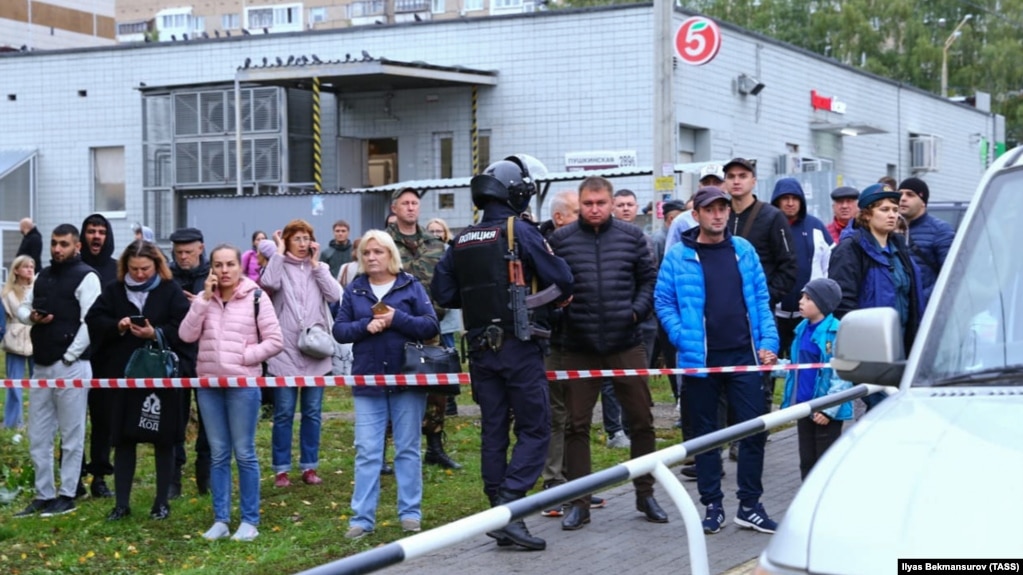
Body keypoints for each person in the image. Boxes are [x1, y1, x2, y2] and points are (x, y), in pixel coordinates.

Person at [432, 154, 574, 551]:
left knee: (494, 430)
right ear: (517, 193)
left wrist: (482, 299)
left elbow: (442, 293)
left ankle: (499, 514)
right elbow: (562, 279)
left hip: (479, 350)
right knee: (535, 428)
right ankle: (509, 505)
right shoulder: (519, 230)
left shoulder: (461, 238)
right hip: (519, 346)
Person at [654, 186, 780, 535]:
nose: (718, 215)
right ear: (696, 215)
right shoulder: (679, 255)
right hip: (701, 361)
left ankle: (750, 506)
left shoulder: (744, 250)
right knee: (705, 436)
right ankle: (712, 506)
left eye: (723, 208)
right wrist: (683, 337)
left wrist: (768, 342)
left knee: (753, 432)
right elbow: (663, 302)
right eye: (710, 209)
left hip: (744, 357)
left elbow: (761, 300)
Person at [548, 175, 668, 531]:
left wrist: (635, 312)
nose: (595, 209)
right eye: (588, 204)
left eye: (601, 203)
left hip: (625, 342)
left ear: (612, 203)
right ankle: (578, 501)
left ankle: (645, 492)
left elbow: (650, 279)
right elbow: (550, 287)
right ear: (579, 205)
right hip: (578, 346)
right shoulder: (561, 240)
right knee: (576, 424)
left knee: (642, 420)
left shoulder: (632, 237)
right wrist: (562, 315)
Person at [334, 230, 439, 540]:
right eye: (367, 253)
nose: (372, 257)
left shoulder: (410, 285)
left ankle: (410, 513)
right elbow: (340, 331)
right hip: (368, 380)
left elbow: (430, 325)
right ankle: (362, 518)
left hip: (407, 379)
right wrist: (366, 326)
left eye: (378, 252)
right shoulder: (354, 290)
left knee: (407, 449)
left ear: (390, 254)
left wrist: (397, 319)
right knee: (367, 451)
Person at [178, 244, 284, 541]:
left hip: (242, 386)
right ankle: (221, 519)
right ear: (211, 269)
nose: (224, 271)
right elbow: (186, 335)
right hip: (210, 386)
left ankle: (250, 520)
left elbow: (275, 340)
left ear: (240, 267)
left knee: (245, 453)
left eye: (230, 265)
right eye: (218, 265)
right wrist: (202, 300)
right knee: (219, 454)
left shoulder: (256, 297)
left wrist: (244, 357)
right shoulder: (205, 299)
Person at [85, 240, 190, 521]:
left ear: (157, 266)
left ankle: (162, 502)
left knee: (164, 439)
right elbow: (94, 319)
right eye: (134, 269)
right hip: (123, 375)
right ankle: (121, 504)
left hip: (161, 376)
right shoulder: (114, 290)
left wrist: (155, 334)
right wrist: (117, 326)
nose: (140, 274)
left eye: (145, 268)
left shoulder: (170, 291)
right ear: (125, 267)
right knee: (123, 438)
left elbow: (185, 327)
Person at [14, 224, 101, 518]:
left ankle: (67, 493)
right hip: (41, 365)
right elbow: (23, 309)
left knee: (72, 433)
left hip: (72, 366)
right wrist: (32, 317)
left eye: (63, 244)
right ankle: (43, 494)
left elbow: (92, 321)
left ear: (77, 246)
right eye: (54, 243)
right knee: (38, 434)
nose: (56, 249)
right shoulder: (43, 276)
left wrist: (69, 357)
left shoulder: (87, 276)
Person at [258, 220, 340, 487]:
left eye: (307, 238)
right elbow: (267, 283)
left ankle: (309, 466)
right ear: (288, 241)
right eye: (298, 239)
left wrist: (317, 266)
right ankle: (281, 469)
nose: (303, 244)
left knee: (313, 412)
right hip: (285, 351)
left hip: (316, 350)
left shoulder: (321, 267)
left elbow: (335, 295)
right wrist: (279, 251)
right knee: (283, 412)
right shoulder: (278, 266)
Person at [828, 183, 924, 409]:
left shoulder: (898, 247)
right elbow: (842, 304)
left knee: (897, 409)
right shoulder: (851, 249)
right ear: (867, 214)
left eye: (894, 209)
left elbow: (913, 296)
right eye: (884, 209)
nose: (892, 215)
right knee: (887, 407)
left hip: (903, 344)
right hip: (871, 350)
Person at [387, 188, 461, 470]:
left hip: (429, 327)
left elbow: (446, 283)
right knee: (392, 389)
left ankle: (435, 447)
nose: (410, 207)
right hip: (393, 329)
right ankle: (385, 452)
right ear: (395, 208)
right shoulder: (384, 242)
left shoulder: (434, 243)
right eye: (404, 203)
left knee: (435, 389)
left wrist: (436, 312)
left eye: (414, 203)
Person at [778, 278, 853, 480]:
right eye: (802, 296)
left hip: (825, 412)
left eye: (808, 298)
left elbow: (842, 375)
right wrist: (773, 366)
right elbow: (797, 365)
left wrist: (828, 408)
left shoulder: (836, 332)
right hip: (805, 408)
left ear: (823, 304)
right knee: (807, 462)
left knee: (825, 465)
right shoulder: (801, 329)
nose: (801, 301)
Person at [168, 227, 212, 497]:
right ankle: (173, 477)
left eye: (188, 251)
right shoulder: (167, 278)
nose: (183, 257)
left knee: (209, 419)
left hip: (207, 355)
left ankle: (204, 475)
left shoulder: (213, 276)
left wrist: (202, 303)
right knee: (176, 420)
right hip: (177, 356)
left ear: (200, 248)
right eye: (178, 252)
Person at [78, 213, 118, 498]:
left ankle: (100, 477)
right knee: (74, 420)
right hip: (75, 356)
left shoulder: (116, 271)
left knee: (104, 420)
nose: (96, 236)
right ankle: (74, 475)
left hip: (106, 356)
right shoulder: (74, 269)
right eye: (91, 231)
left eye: (101, 232)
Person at [769, 177, 833, 355]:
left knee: (805, 362)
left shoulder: (816, 226)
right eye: (785, 198)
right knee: (768, 363)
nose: (790, 203)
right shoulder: (768, 225)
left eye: (795, 198)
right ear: (777, 200)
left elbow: (830, 264)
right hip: (774, 312)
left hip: (809, 314)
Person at [426, 217, 463, 417]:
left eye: (438, 230)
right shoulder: (424, 252)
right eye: (431, 231)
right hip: (427, 315)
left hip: (446, 315)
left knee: (449, 356)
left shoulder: (451, 252)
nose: (435, 234)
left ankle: (450, 398)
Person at [897, 177, 955, 305]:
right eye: (900, 194)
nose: (903, 198)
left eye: (910, 195)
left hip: (926, 309)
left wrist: (921, 300)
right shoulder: (890, 228)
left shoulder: (940, 230)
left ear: (923, 201)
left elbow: (951, 275)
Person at [2, 255, 35, 429]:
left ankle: (38, 421)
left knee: (39, 383)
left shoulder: (39, 288)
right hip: (14, 340)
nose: (30, 269)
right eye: (25, 266)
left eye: (32, 266)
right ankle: (13, 422)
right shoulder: (7, 294)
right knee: (14, 383)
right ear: (16, 270)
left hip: (35, 339)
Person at [664, 164, 723, 254]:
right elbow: (670, 258)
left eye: (716, 182)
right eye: (706, 183)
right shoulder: (681, 222)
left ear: (726, 186)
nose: (711, 187)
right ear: (699, 187)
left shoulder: (734, 216)